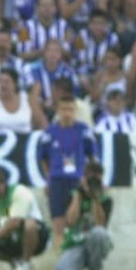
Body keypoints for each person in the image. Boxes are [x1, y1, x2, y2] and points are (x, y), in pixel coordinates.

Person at [38, 95, 97, 249]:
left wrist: (89, 179)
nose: (67, 113)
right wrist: (48, 179)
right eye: (63, 109)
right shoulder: (49, 132)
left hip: (77, 181)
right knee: (58, 227)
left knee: (77, 225)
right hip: (57, 181)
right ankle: (60, 267)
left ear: (76, 111)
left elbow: (92, 158)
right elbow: (43, 159)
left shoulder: (84, 131)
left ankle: (77, 264)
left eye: (70, 109)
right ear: (58, 110)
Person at [53, 160, 114, 270]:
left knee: (99, 233)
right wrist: (79, 195)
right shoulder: (73, 195)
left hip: (96, 242)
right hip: (77, 243)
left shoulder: (106, 200)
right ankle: (77, 268)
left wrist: (95, 198)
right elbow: (70, 221)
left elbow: (100, 224)